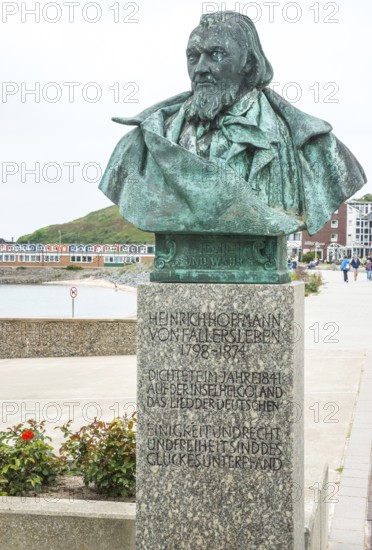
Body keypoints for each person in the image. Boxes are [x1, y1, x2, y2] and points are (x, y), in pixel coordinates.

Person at [99, 11, 366, 237]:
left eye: (216, 54)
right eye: (193, 57)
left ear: (248, 64)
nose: (200, 69)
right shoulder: (140, 145)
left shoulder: (316, 148)